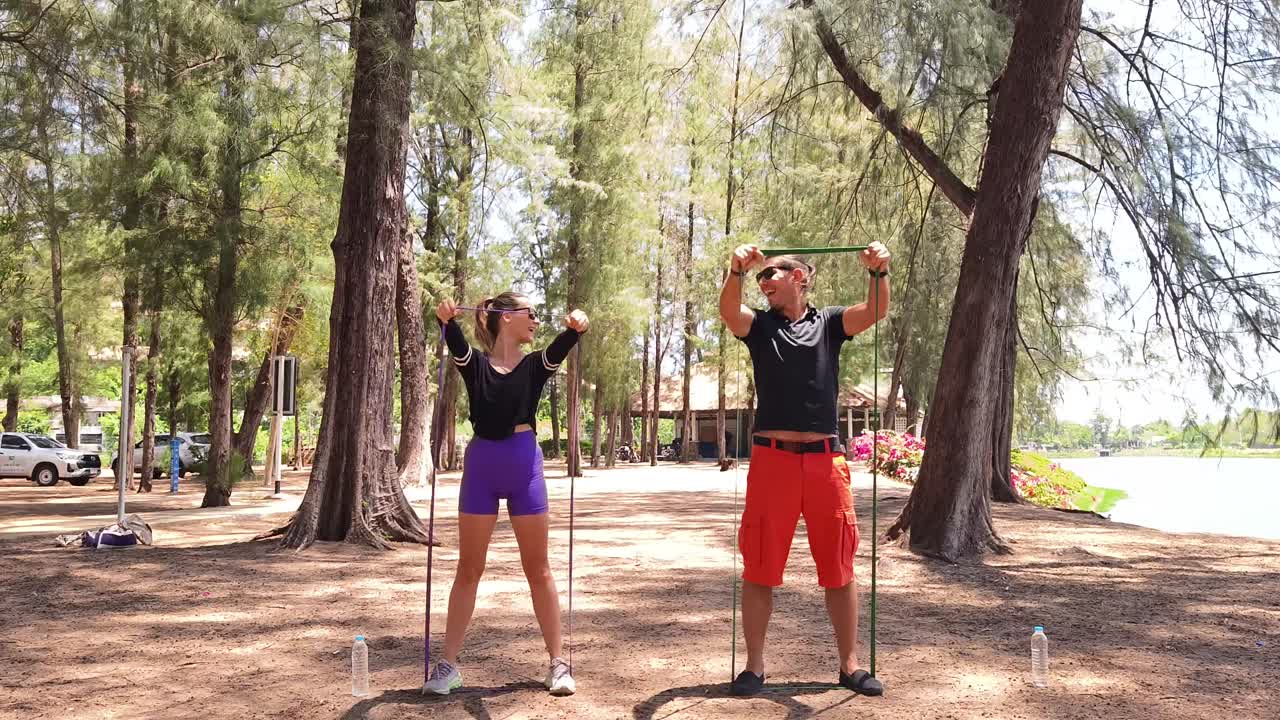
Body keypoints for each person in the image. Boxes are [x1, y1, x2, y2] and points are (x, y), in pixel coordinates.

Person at [718, 242, 891, 697]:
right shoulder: (758, 326)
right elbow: (729, 311)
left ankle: (849, 666)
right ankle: (754, 667)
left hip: (825, 463)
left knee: (839, 566)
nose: (764, 281)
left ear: (800, 277)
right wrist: (736, 270)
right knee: (759, 567)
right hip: (771, 461)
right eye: (759, 278)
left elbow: (875, 309)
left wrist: (879, 270)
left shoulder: (830, 323)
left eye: (772, 273)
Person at [423, 292, 589, 697]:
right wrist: (444, 318)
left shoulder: (535, 367)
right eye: (528, 312)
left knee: (540, 569)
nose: (535, 317)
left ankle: (557, 663)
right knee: (469, 569)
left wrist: (576, 326)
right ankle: (447, 667)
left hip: (523, 467)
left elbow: (563, 344)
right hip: (481, 468)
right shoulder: (475, 365)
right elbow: (454, 339)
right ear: (504, 317)